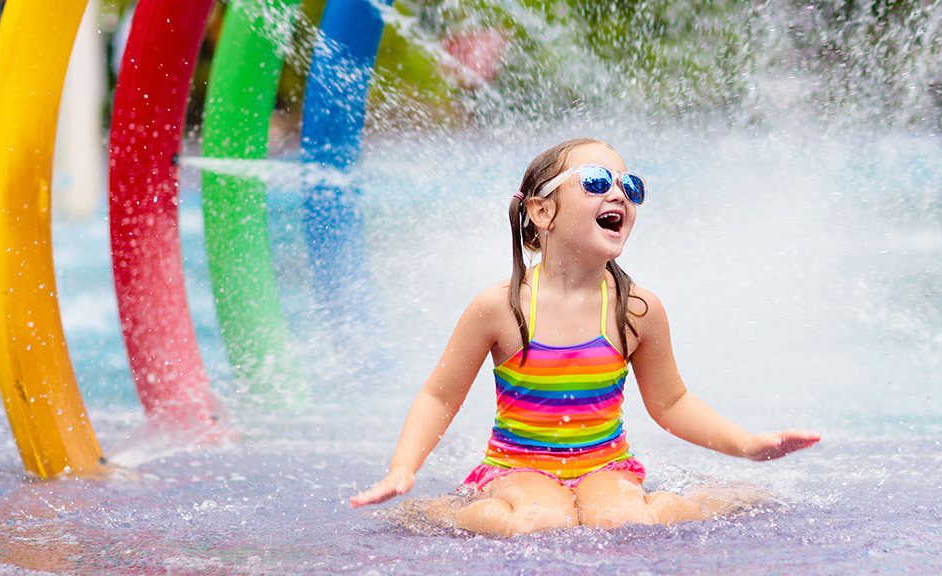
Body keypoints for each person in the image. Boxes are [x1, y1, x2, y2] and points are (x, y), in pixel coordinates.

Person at [350, 138, 819, 536]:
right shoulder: (500, 307)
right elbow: (439, 395)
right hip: (519, 468)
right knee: (542, 522)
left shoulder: (636, 309)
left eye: (630, 186)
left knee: (625, 520)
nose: (619, 193)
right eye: (596, 182)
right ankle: (444, 511)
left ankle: (710, 500)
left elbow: (672, 402)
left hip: (605, 466)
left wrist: (745, 444)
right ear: (542, 211)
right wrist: (403, 468)